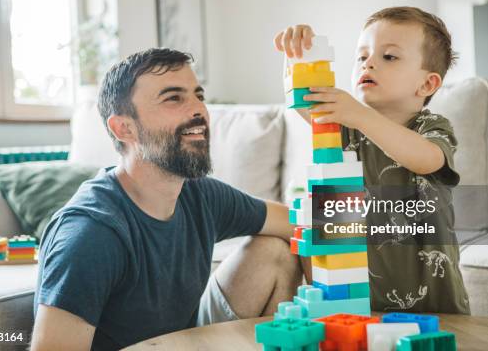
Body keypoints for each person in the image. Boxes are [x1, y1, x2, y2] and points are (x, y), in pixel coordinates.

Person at [30, 48, 307, 350]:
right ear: (124, 127)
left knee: (274, 250)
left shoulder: (199, 194)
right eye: (174, 98)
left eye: (198, 95)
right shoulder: (90, 235)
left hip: (182, 341)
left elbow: (300, 222)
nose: (198, 109)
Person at [274, 6, 470, 314]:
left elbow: (427, 160)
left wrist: (360, 115)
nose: (369, 64)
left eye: (388, 56)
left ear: (427, 84)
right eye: (362, 56)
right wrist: (298, 56)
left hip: (436, 306)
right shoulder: (345, 131)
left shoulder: (431, 128)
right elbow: (304, 99)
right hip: (361, 306)